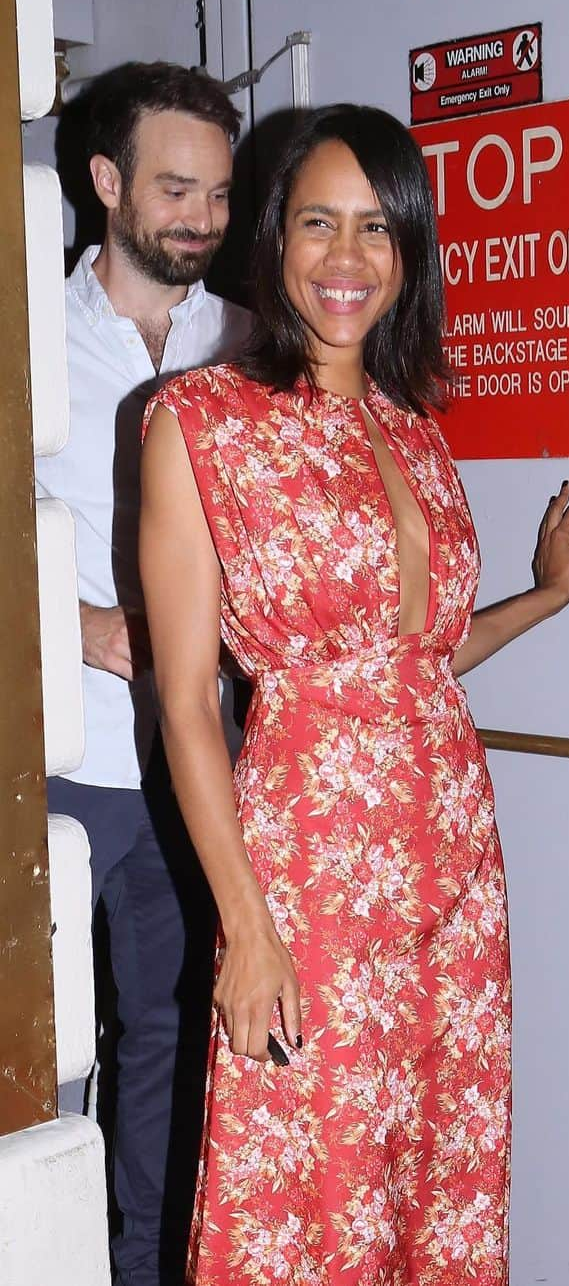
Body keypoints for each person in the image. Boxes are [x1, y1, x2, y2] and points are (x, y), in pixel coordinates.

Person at [139, 103, 569, 1284]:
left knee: (433, 1167)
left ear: (410, 251)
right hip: (312, 870)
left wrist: (546, 598)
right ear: (274, 241)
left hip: (448, 866)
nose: (348, 259)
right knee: (314, 1175)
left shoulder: (416, 426)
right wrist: (245, 924)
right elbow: (188, 700)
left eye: (378, 230)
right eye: (318, 224)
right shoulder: (200, 423)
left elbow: (413, 660)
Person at [35, 62, 250, 1285]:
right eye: (175, 188)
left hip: (197, 768)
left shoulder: (246, 341)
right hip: (64, 766)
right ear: (106, 181)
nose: (201, 219)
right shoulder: (32, 338)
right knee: (43, 1071)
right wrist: (94, 628)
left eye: (218, 194)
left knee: (175, 1061)